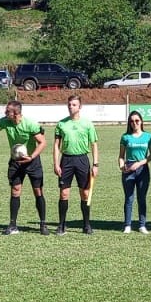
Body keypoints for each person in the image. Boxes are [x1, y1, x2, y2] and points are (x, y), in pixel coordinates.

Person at [0, 100, 47, 235]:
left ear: (16, 113)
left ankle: (43, 224)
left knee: (38, 191)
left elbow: (42, 142)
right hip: (15, 162)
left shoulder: (30, 124)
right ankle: (13, 225)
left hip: (32, 161)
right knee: (15, 190)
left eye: (8, 111)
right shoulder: (5, 122)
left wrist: (32, 156)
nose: (5, 113)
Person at [52, 94, 99, 235]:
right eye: (69, 104)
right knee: (64, 193)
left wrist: (95, 164)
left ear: (80, 107)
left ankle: (86, 224)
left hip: (82, 160)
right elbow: (56, 145)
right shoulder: (61, 124)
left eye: (74, 105)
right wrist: (56, 163)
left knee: (84, 193)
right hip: (66, 160)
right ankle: (61, 225)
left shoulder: (88, 124)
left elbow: (94, 144)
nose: (71, 107)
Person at [118, 110, 151, 233]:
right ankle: (127, 225)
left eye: (137, 120)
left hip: (143, 169)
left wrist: (139, 163)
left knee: (141, 197)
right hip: (128, 169)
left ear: (141, 121)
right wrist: (122, 166)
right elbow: (121, 156)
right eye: (132, 121)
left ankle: (142, 225)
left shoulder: (148, 136)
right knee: (129, 198)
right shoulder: (125, 137)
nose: (135, 123)